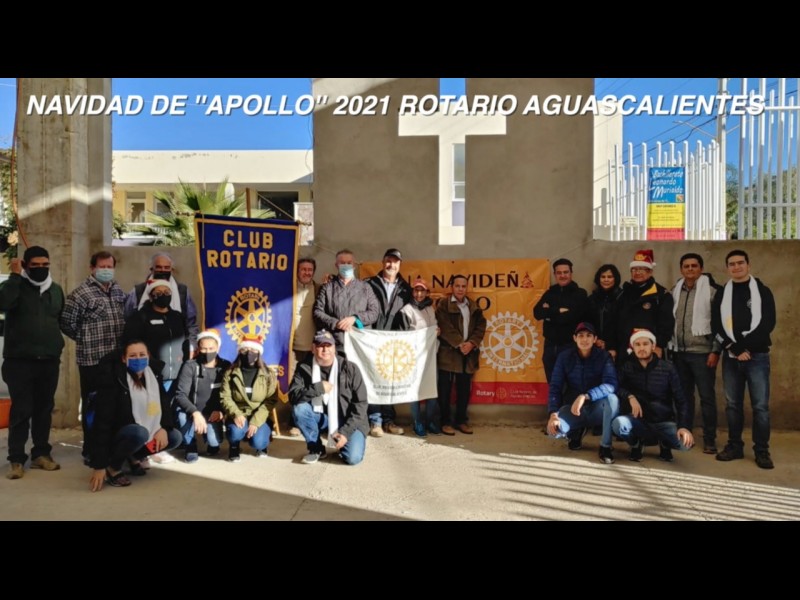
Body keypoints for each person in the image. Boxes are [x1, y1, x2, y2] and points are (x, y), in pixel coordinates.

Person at [0, 246, 65, 480]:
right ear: (25, 265)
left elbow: (60, 319)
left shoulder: (55, 290)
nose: (40, 269)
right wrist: (14, 276)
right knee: (21, 410)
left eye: (44, 265)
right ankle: (16, 459)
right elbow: (3, 303)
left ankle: (41, 453)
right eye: (35, 265)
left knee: (43, 409)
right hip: (19, 361)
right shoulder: (15, 286)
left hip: (48, 360)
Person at [60, 250, 127, 464]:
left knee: (115, 407)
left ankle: (111, 448)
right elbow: (67, 324)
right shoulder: (80, 294)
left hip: (116, 360)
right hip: (92, 361)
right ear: (92, 268)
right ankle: (91, 450)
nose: (106, 270)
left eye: (109, 267)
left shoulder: (118, 290)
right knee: (93, 408)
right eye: (102, 266)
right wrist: (86, 339)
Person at [712, 249, 776, 469]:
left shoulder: (762, 291)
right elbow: (716, 325)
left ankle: (762, 451)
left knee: (760, 407)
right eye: (732, 264)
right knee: (732, 405)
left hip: (757, 356)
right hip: (731, 357)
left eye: (740, 263)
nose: (736, 267)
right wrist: (734, 348)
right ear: (727, 268)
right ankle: (734, 446)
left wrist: (745, 347)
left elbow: (768, 323)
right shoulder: (722, 293)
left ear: (748, 265)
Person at [88, 340, 182, 491]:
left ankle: (134, 456)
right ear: (124, 359)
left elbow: (164, 404)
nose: (138, 359)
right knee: (139, 433)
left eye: (142, 354)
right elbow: (102, 421)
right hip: (120, 434)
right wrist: (99, 465)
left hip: (143, 432)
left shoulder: (153, 376)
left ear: (148, 356)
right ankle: (113, 466)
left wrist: (163, 428)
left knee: (174, 437)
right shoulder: (114, 379)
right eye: (132, 356)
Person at [612, 329, 694, 462]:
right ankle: (636, 443)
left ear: (653, 346)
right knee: (618, 424)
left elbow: (681, 400)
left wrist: (684, 426)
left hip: (663, 421)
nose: (641, 348)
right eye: (637, 344)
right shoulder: (627, 367)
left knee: (686, 444)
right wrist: (629, 396)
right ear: (633, 347)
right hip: (639, 421)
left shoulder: (668, 368)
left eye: (645, 344)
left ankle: (665, 443)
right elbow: (615, 387)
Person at [289, 329, 369, 465]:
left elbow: (361, 404)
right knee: (300, 409)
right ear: (313, 348)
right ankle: (316, 449)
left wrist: (346, 432)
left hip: (347, 419)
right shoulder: (303, 367)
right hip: (322, 418)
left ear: (334, 348)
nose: (325, 349)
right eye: (320, 345)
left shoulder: (350, 368)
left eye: (328, 345)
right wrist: (317, 388)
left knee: (353, 458)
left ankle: (343, 442)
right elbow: (293, 396)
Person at [669, 253, 722, 455]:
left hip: (703, 353)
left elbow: (719, 324)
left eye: (694, 266)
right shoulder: (675, 290)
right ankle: (685, 434)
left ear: (701, 268)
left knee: (707, 397)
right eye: (686, 266)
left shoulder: (712, 292)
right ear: (681, 269)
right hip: (679, 353)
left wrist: (715, 350)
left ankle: (709, 439)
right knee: (683, 397)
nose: (690, 269)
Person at [545, 322, 619, 464]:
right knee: (553, 431)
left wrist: (586, 396)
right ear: (574, 338)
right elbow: (555, 387)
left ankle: (605, 447)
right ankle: (576, 431)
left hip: (596, 408)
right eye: (580, 335)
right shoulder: (564, 357)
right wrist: (553, 414)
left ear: (595, 339)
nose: (584, 339)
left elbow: (611, 384)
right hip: (574, 408)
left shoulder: (604, 357)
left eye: (589, 335)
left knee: (612, 399)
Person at [365, 248, 413, 436]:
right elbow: (358, 306)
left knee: (389, 381)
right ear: (382, 262)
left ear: (400, 265)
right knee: (374, 381)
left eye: (395, 262)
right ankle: (375, 421)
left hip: (394, 344)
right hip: (372, 341)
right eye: (388, 261)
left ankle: (389, 420)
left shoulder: (406, 289)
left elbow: (411, 315)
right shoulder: (368, 284)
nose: (391, 265)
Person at [436, 274, 486, 435]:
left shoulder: (473, 306)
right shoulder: (443, 304)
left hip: (468, 354)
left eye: (463, 286)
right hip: (448, 354)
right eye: (457, 286)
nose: (460, 289)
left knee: (464, 390)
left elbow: (481, 326)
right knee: (445, 390)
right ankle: (445, 422)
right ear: (452, 287)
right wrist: (459, 343)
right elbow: (444, 326)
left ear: (467, 288)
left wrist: (471, 343)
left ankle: (461, 421)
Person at [172, 329, 232, 462]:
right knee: (181, 414)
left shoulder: (225, 366)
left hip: (213, 413)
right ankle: (190, 446)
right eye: (204, 348)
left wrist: (221, 411)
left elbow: (230, 394)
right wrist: (194, 412)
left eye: (211, 348)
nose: (207, 351)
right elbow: (180, 394)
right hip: (192, 410)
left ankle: (211, 440)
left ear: (218, 348)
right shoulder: (190, 366)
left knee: (214, 442)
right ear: (198, 348)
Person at [219, 335, 281, 462]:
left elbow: (271, 400)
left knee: (258, 442)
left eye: (253, 350)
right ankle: (234, 446)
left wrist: (256, 421)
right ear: (239, 352)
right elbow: (225, 397)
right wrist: (236, 414)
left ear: (259, 353)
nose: (249, 353)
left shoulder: (268, 374)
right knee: (235, 433)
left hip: (260, 415)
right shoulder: (230, 373)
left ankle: (262, 443)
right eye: (244, 350)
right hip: (238, 414)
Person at [123, 251, 199, 352]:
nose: (163, 270)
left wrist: (191, 347)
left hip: (177, 354)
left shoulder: (182, 291)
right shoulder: (138, 291)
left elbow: (191, 323)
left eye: (166, 267)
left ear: (172, 270)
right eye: (158, 267)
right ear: (151, 269)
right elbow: (128, 319)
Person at [313, 248, 379, 352]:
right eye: (342, 263)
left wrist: (355, 318)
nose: (346, 265)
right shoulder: (327, 288)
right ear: (336, 265)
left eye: (349, 263)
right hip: (335, 344)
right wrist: (335, 323)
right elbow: (317, 312)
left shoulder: (365, 287)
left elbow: (374, 312)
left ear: (354, 265)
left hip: (359, 344)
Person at [533, 258, 589, 382]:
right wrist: (558, 310)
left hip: (570, 345)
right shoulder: (550, 293)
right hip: (550, 346)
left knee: (570, 383)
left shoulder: (580, 294)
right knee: (553, 383)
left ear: (571, 273)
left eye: (565, 272)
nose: (562, 275)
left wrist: (548, 314)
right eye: (559, 273)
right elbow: (537, 313)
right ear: (555, 275)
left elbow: (569, 318)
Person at [614, 249, 674, 361]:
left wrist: (659, 344)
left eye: (642, 269)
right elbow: (615, 322)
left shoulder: (661, 295)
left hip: (650, 349)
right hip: (625, 350)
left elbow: (667, 324)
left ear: (650, 272)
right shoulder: (622, 294)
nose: (637, 272)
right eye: (634, 269)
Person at [400, 277, 440, 436]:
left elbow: (434, 326)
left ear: (427, 292)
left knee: (431, 389)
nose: (419, 294)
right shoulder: (407, 310)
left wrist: (437, 331)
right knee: (414, 391)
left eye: (422, 290)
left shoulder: (430, 308)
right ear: (412, 292)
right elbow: (403, 335)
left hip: (430, 356)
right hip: (414, 357)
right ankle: (417, 422)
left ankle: (429, 421)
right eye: (416, 290)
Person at [288, 257, 321, 437]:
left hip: (311, 347)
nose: (307, 273)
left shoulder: (319, 289)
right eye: (303, 269)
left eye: (310, 270)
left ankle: (305, 421)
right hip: (291, 347)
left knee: (309, 383)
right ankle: (294, 421)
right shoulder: (288, 288)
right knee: (292, 384)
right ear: (297, 271)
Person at [586, 264, 622, 359]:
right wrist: (595, 340)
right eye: (603, 277)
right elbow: (587, 323)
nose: (606, 280)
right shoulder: (591, 299)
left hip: (616, 349)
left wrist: (610, 345)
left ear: (615, 279)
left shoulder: (623, 298)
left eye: (610, 277)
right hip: (595, 346)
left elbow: (624, 326)